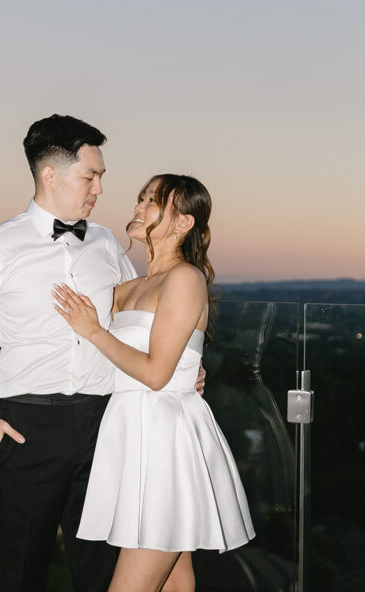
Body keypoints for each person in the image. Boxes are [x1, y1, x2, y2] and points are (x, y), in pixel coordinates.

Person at [0, 114, 139, 592]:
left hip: (103, 424)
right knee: (23, 573)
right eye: (91, 175)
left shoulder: (107, 242)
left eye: (101, 177)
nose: (99, 189)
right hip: (28, 429)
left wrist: (176, 371)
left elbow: (137, 322)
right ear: (51, 174)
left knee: (104, 573)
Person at [54, 174, 255, 592]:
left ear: (182, 223)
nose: (139, 206)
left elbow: (156, 373)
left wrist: (94, 331)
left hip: (164, 441)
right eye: (141, 197)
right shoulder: (125, 288)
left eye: (153, 201)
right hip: (130, 433)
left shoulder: (185, 278)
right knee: (176, 584)